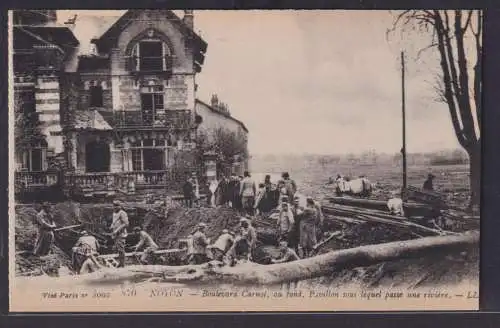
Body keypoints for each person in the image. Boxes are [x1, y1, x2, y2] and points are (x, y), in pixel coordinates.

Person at [110, 200, 129, 268]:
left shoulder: (122, 213)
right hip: (115, 234)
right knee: (118, 249)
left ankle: (123, 264)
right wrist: (112, 225)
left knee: (121, 249)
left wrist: (117, 230)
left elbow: (126, 224)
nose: (115, 207)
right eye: (114, 206)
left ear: (120, 206)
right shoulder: (114, 213)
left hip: (121, 234)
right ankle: (121, 263)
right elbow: (115, 222)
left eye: (117, 206)